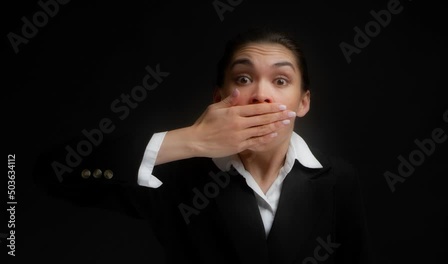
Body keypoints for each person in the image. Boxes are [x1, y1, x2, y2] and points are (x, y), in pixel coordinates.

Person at [37, 27, 375, 264]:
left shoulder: (337, 181)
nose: (260, 93)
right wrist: (190, 139)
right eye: (243, 78)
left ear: (303, 103)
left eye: (281, 80)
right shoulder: (179, 177)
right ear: (219, 98)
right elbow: (53, 171)